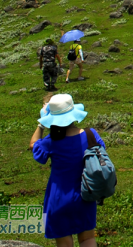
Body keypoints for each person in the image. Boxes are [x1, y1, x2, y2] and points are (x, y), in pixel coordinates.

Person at [31, 94, 102, 247]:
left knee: (64, 244)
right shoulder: (91, 134)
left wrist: (41, 124)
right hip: (85, 195)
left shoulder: (50, 142)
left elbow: (33, 146)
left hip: (58, 199)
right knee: (88, 239)